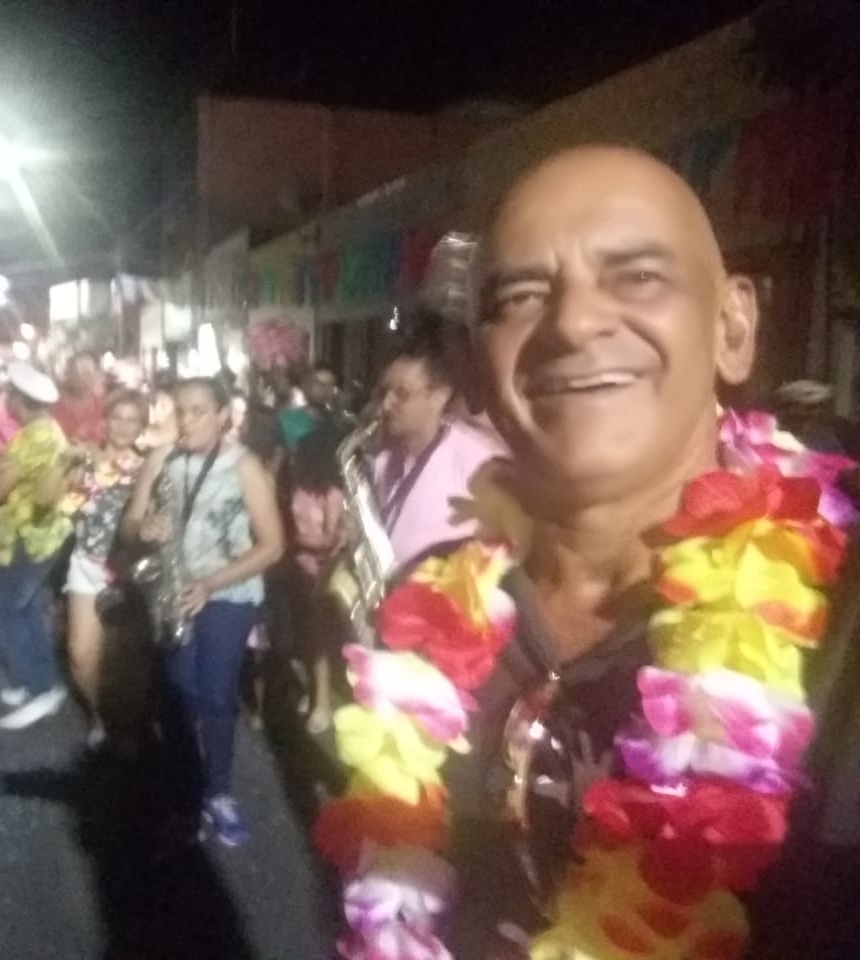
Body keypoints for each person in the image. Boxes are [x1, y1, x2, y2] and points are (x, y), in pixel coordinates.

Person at [318, 146, 851, 960]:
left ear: (733, 327)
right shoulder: (427, 601)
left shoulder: (841, 620)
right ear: (477, 364)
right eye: (521, 296)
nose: (571, 323)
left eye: (637, 276)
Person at [122, 377, 284, 847]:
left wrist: (211, 583)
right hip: (174, 592)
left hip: (228, 594)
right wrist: (142, 528)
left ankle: (218, 792)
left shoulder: (245, 466)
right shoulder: (161, 459)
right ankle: (187, 792)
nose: (187, 421)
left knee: (215, 695)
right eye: (181, 411)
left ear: (223, 416)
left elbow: (273, 545)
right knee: (180, 697)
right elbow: (130, 524)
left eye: (198, 411)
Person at [0, 361, 75, 730]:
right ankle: (37, 679)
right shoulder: (49, 429)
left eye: (9, 394)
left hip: (27, 539)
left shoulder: (29, 440)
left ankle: (42, 689)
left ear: (19, 400)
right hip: (42, 536)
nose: (4, 399)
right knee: (24, 612)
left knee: (2, 612)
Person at [372, 337, 506, 570]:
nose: (386, 405)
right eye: (384, 392)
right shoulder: (383, 464)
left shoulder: (480, 461)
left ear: (440, 396)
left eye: (402, 394)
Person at [63, 390, 146, 747]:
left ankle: (129, 722)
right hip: (86, 562)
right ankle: (99, 715)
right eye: (117, 418)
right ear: (105, 420)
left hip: (127, 571)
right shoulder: (83, 457)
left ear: (142, 426)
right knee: (80, 655)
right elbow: (58, 499)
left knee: (126, 659)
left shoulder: (148, 468)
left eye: (132, 420)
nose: (123, 427)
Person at [287, 418, 350, 734]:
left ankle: (323, 702)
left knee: (324, 640)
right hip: (302, 572)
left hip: (327, 574)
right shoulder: (297, 487)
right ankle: (317, 694)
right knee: (312, 639)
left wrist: (292, 540)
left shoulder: (333, 494)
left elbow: (332, 538)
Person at [278, 362, 340, 451]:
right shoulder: (287, 419)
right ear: (306, 385)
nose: (325, 389)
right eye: (319, 384)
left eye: (330, 385)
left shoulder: (337, 421)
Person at [52, 351, 106, 446]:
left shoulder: (104, 406)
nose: (82, 379)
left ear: (95, 375)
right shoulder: (53, 407)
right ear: (68, 375)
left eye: (87, 374)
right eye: (76, 374)